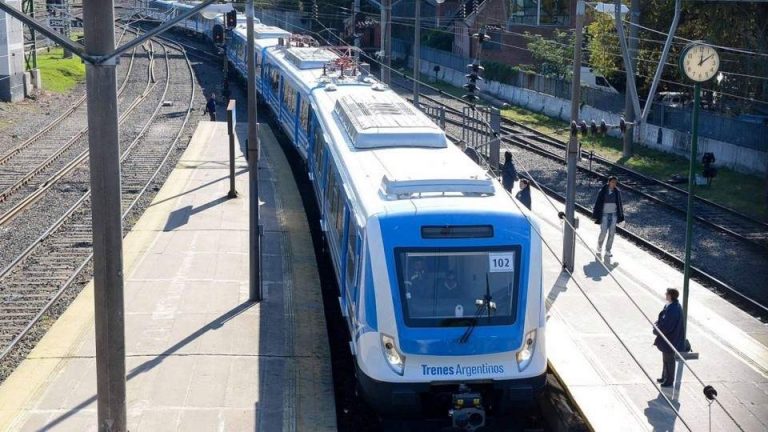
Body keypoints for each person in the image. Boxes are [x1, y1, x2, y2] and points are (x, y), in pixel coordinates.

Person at [653, 288, 685, 388]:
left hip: (670, 339)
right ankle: (664, 377)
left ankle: (669, 380)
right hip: (668, 339)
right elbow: (662, 319)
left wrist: (656, 330)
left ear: (670, 295)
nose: (665, 294)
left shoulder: (673, 309)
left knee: (669, 360)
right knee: (665, 359)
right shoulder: (671, 305)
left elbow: (667, 326)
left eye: (666, 293)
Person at [592, 176, 624, 257]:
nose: (614, 184)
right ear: (609, 182)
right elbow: (598, 203)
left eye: (615, 183)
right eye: (612, 182)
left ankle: (608, 250)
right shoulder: (603, 191)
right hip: (604, 215)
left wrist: (621, 218)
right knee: (603, 232)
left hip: (614, 215)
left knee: (611, 234)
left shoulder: (617, 192)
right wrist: (595, 214)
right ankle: (599, 246)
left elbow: (620, 205)